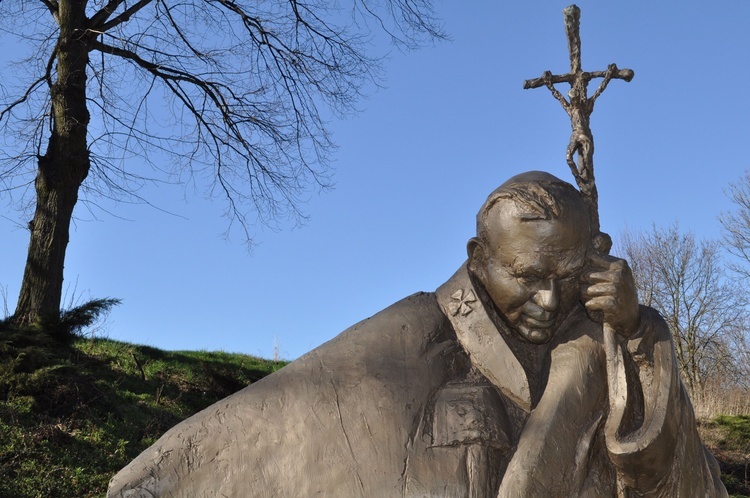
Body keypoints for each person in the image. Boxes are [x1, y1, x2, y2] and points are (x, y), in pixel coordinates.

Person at [108, 171, 727, 497]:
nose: (547, 300)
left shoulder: (608, 339)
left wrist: (637, 332)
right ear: (477, 258)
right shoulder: (409, 340)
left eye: (565, 277)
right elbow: (271, 426)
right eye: (524, 276)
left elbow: (673, 479)